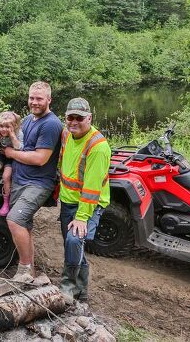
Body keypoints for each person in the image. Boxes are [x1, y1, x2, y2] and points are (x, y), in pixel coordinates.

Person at [3, 81, 62, 282]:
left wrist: (10, 153)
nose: (34, 102)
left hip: (38, 183)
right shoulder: (28, 120)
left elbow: (40, 158)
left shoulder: (51, 124)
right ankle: (31, 273)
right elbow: (18, 142)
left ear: (49, 100)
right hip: (21, 180)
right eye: (31, 98)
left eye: (39, 98)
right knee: (24, 226)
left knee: (14, 220)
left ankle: (24, 269)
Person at [58, 97, 110, 302]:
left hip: (88, 205)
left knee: (73, 240)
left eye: (79, 118)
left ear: (89, 118)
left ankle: (68, 287)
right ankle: (82, 292)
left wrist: (81, 217)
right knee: (72, 246)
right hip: (67, 201)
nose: (74, 122)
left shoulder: (97, 147)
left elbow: (92, 188)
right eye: (70, 117)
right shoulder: (67, 134)